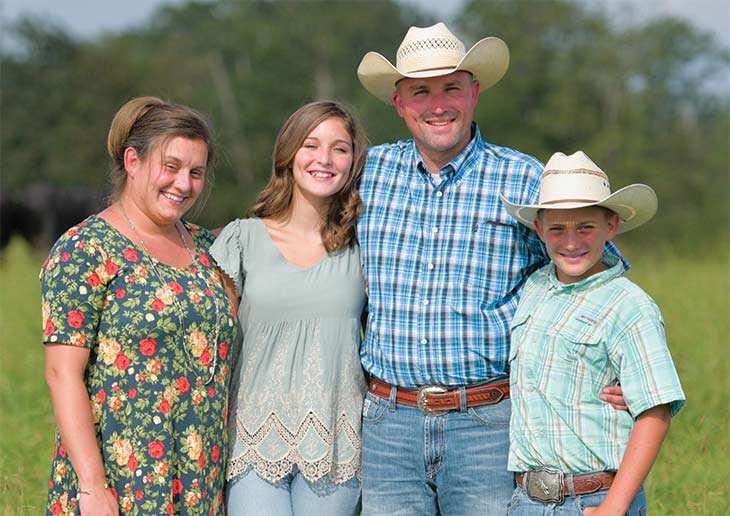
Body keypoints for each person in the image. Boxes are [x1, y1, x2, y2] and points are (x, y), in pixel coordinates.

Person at [355, 23, 628, 514]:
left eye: (451, 89)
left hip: (487, 421)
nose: (438, 105)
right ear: (399, 102)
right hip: (386, 425)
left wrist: (621, 364)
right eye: (421, 92)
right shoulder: (366, 174)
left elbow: (596, 269)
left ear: (474, 92)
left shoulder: (522, 177)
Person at [41, 96, 239, 515]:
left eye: (196, 172)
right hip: (121, 482)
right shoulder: (86, 249)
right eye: (170, 167)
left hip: (200, 480)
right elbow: (62, 374)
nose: (183, 184)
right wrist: (93, 488)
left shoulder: (210, 249)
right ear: (133, 161)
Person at [500, 151, 685, 515]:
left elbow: (655, 411)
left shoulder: (629, 306)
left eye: (586, 227)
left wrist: (614, 507)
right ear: (539, 230)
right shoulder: (535, 287)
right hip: (526, 499)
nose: (571, 242)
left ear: (611, 226)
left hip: (594, 498)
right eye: (557, 229)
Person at [210, 101, 369, 516]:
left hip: (336, 443)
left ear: (353, 161)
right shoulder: (241, 241)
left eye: (340, 148)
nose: (324, 159)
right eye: (311, 145)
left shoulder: (364, 245)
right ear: (289, 154)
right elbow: (216, 346)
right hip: (252, 439)